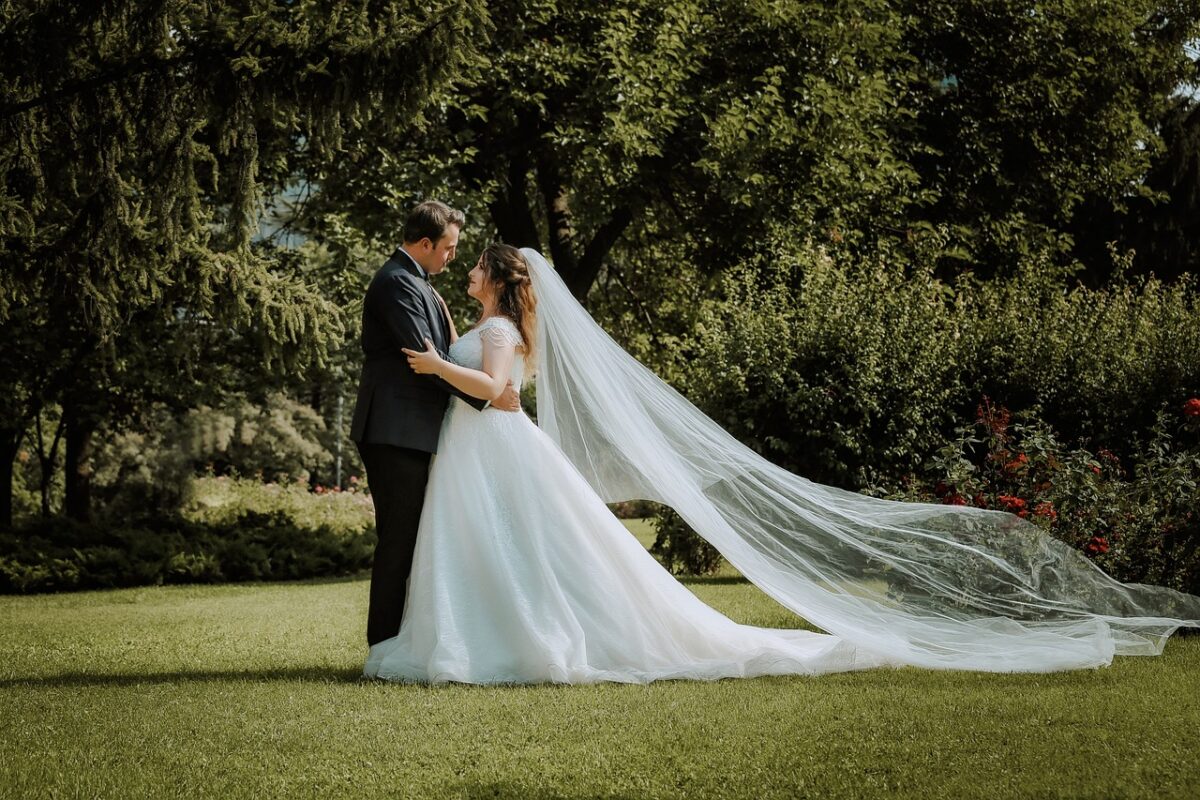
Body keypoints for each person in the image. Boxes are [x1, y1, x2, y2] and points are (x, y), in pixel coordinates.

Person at [362, 243, 1200, 684]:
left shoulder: (500, 329)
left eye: (476, 264)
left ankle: (515, 642)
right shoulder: (476, 315)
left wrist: (438, 369)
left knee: (530, 555)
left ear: (497, 283)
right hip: (475, 460)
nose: (466, 268)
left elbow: (502, 396)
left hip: (496, 448)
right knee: (496, 554)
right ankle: (469, 637)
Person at [349, 202, 520, 653]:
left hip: (412, 430)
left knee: (413, 538)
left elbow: (442, 354)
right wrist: (489, 394)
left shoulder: (418, 283)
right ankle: (383, 648)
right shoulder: (396, 284)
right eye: (449, 247)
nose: (453, 257)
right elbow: (423, 358)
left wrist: (488, 389)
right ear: (425, 244)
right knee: (399, 541)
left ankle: (404, 642)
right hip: (394, 430)